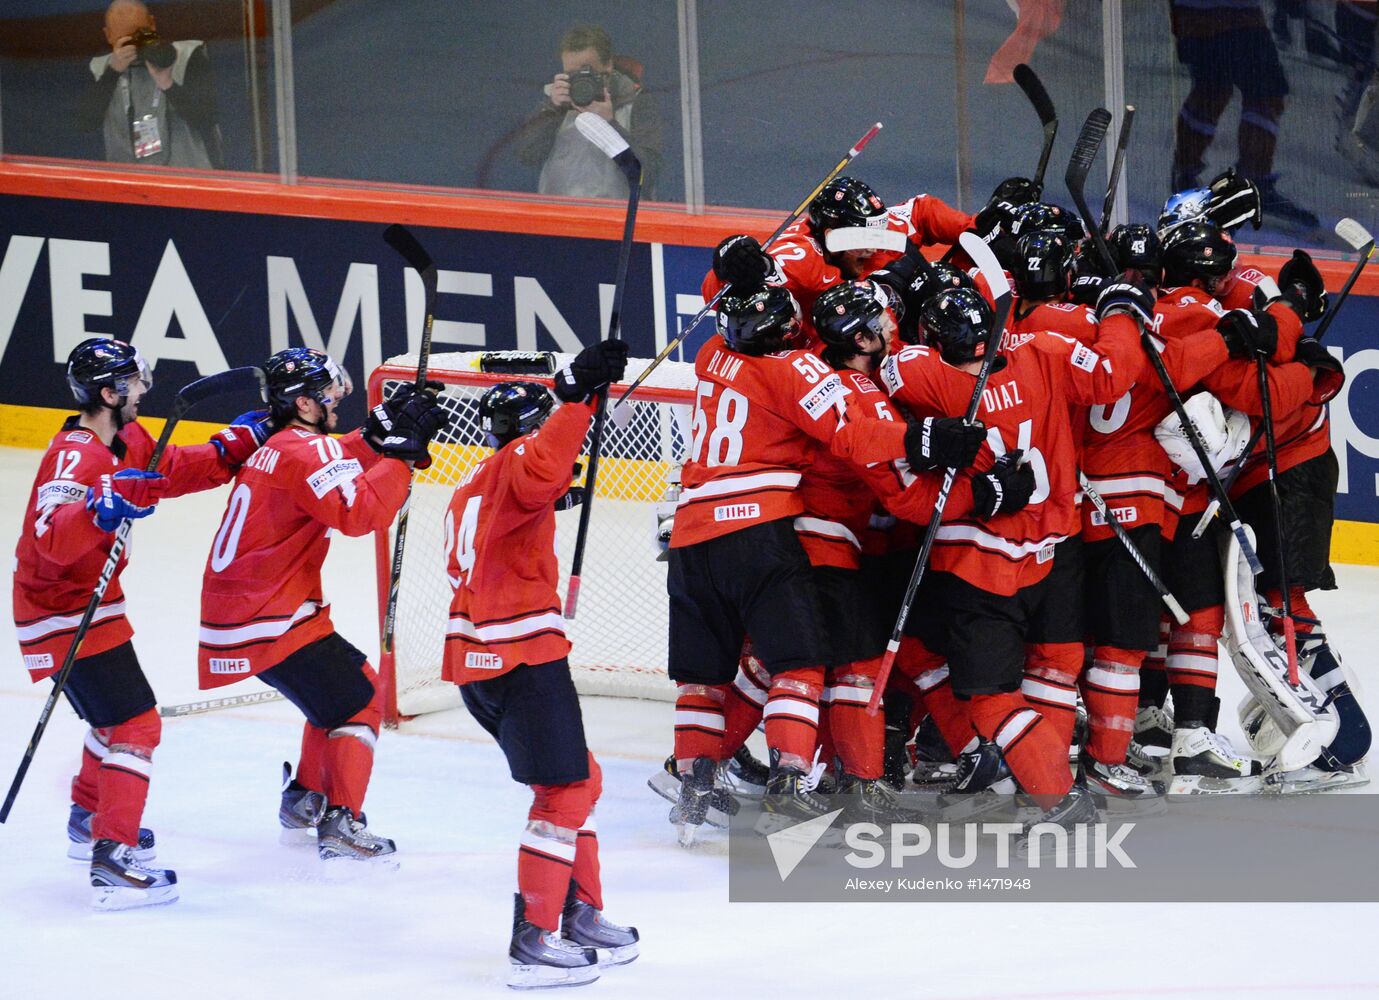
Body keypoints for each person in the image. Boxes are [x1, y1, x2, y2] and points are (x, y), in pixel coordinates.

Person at [665, 283, 988, 842]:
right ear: (861, 338)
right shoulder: (848, 386)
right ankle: (847, 788)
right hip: (810, 544)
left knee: (758, 668)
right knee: (845, 665)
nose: (894, 331)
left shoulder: (729, 356)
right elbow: (894, 484)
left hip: (725, 531)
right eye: (882, 324)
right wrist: (969, 482)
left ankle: (698, 769)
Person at [13, 338, 265, 909]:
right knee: (136, 726)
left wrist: (233, 447)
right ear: (110, 392)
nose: (145, 388)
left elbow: (168, 469)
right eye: (136, 380)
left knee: (113, 718)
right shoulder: (77, 456)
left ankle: (88, 818)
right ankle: (113, 860)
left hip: (88, 606)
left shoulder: (126, 439)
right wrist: (98, 509)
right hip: (59, 611)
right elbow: (51, 537)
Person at [197, 348, 448, 865]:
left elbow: (325, 465)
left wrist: (378, 434)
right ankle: (343, 823)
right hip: (269, 613)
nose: (337, 402)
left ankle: (306, 799)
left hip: (244, 609)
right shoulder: (309, 452)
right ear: (306, 402)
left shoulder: (281, 443)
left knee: (332, 698)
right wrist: (401, 456)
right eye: (329, 396)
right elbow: (357, 514)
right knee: (360, 697)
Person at [442, 340, 638, 989]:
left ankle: (580, 913)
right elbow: (546, 459)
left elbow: (505, 518)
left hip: (477, 660)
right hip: (520, 652)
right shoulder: (527, 463)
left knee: (579, 776)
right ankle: (534, 938)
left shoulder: (472, 489)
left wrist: (540, 510)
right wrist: (575, 393)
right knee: (565, 791)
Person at [1168, 0, 1317, 231]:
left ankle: (1189, 172)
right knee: (1242, 92)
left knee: (1220, 90)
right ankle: (1248, 181)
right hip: (1225, 15)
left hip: (1210, 14)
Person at [516, 24, 663, 199]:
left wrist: (609, 125)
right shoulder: (557, 105)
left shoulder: (637, 103)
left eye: (586, 72)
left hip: (617, 221)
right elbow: (527, 156)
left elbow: (645, 175)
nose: (580, 82)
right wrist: (551, 109)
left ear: (607, 65)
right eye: (572, 75)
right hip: (561, 218)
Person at [76, 0, 223, 169]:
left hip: (188, 180)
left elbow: (207, 118)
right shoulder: (100, 68)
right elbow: (84, 124)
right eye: (125, 41)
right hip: (130, 184)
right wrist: (113, 72)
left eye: (139, 36)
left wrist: (167, 83)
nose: (134, 46)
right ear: (108, 35)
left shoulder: (187, 56)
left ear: (152, 24)